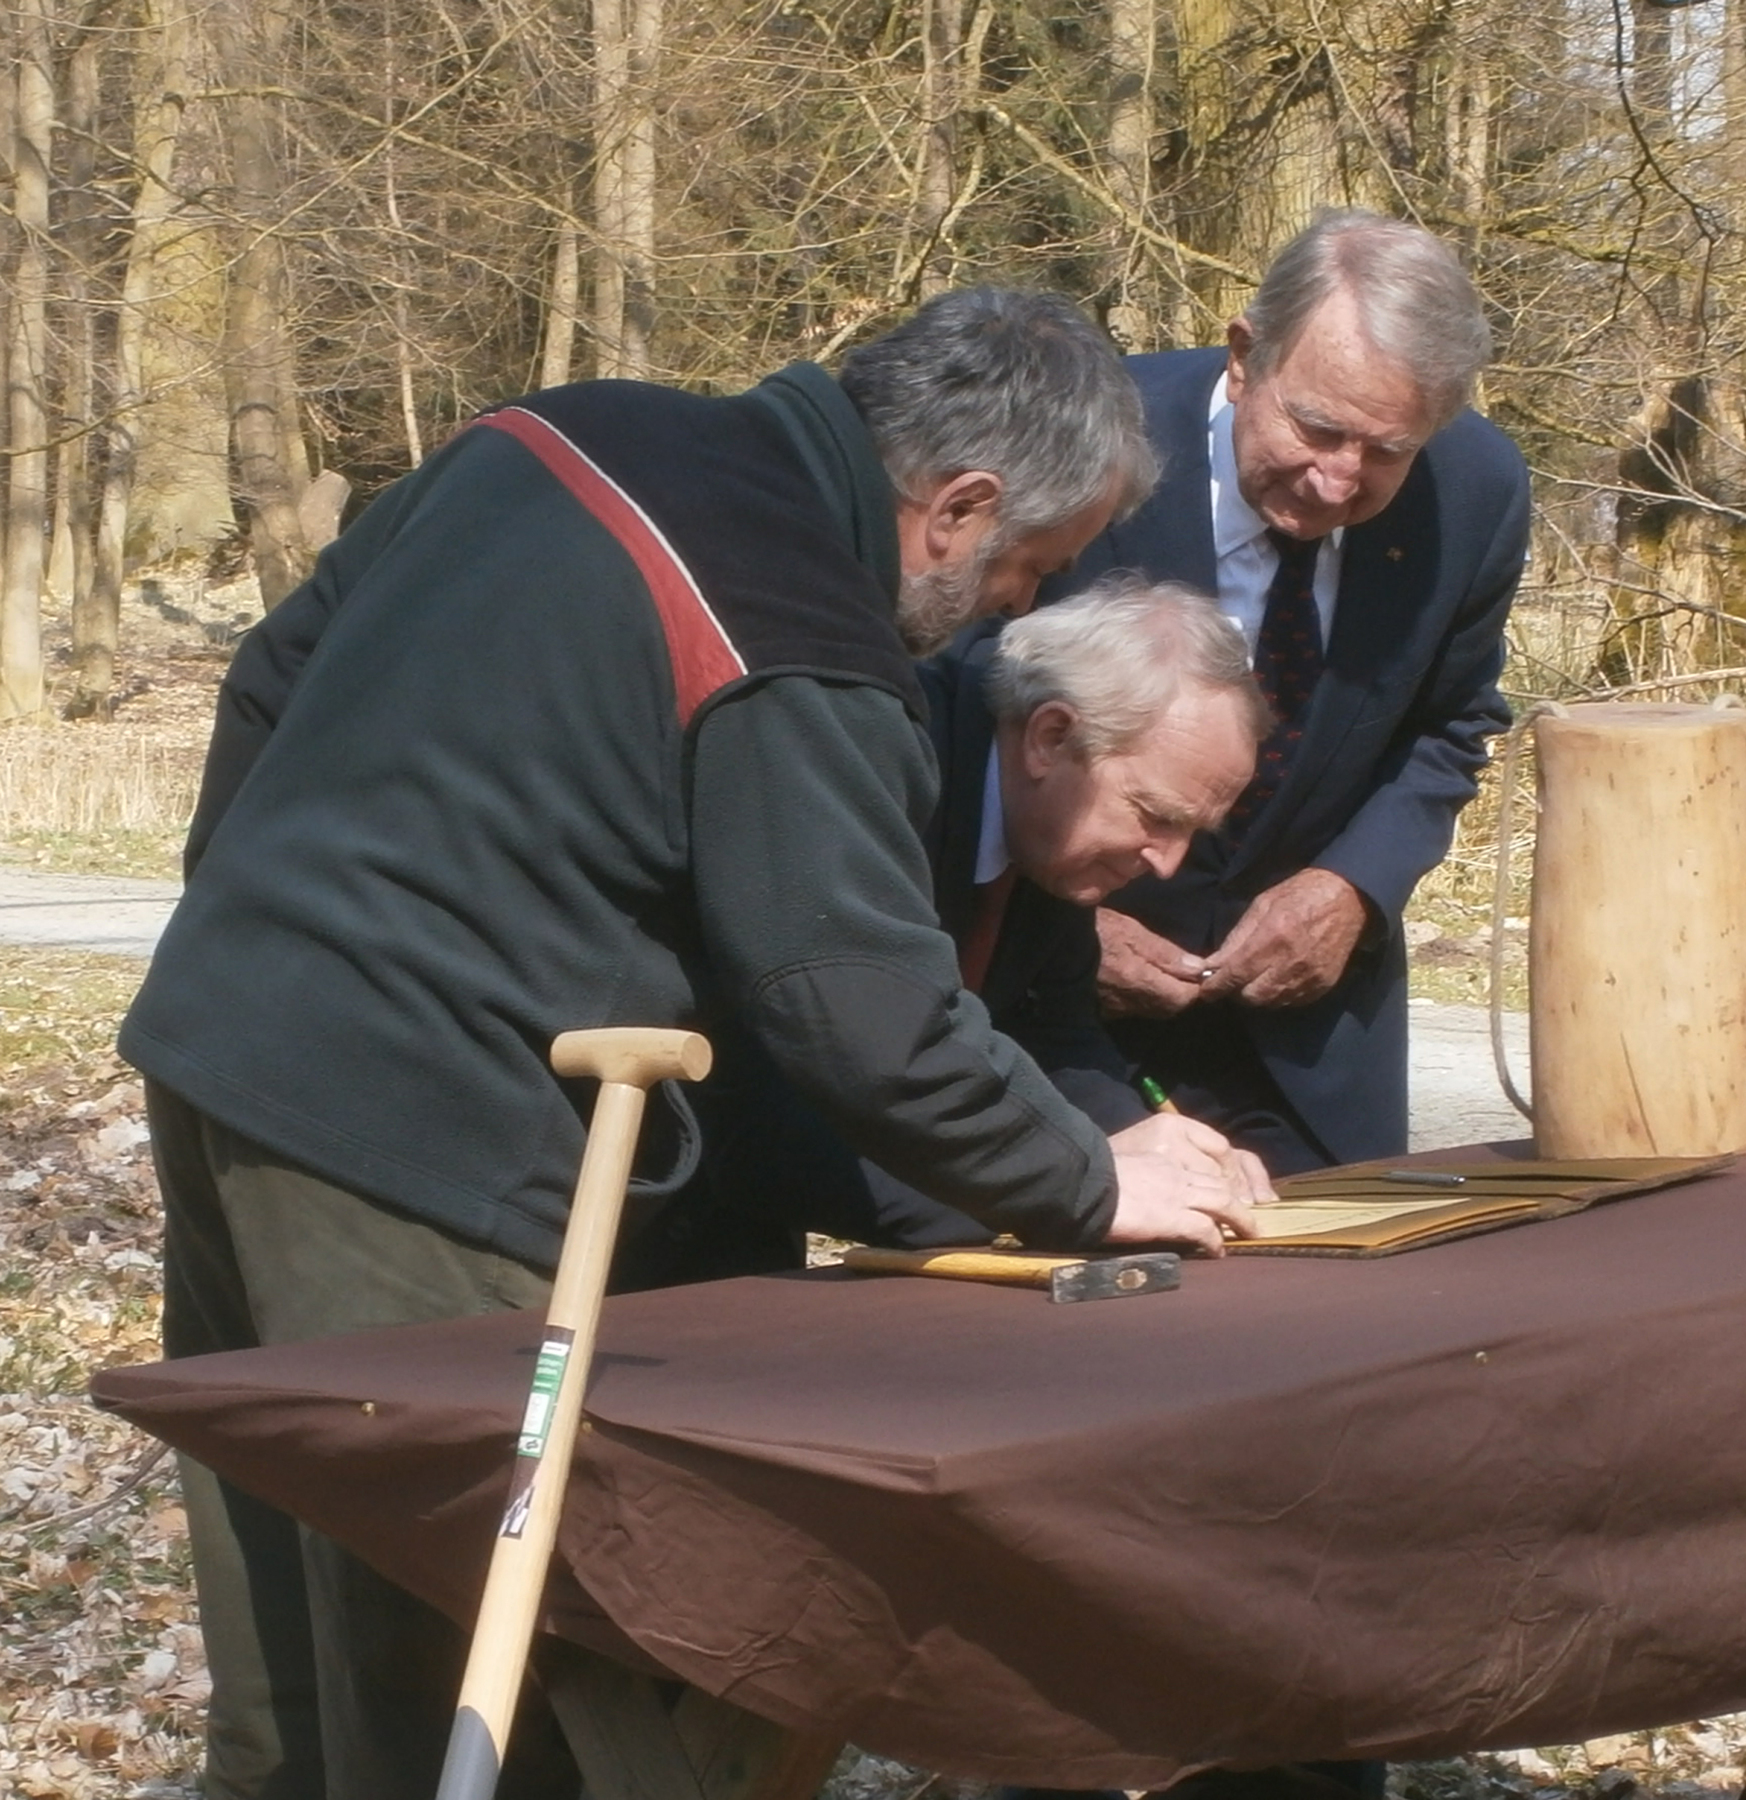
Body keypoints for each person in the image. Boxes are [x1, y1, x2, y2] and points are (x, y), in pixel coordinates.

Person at [121, 288, 1264, 1800]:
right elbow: (856, 1004)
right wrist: (1077, 1178)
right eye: (1028, 571)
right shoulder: (800, 620)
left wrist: (261, 932)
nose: (1007, 616)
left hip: (222, 1042)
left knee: (281, 1561)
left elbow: (275, 674)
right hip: (426, 1136)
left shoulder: (566, 429)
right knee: (460, 1645)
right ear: (957, 507)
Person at [630, 574, 1276, 1272]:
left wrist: (1157, 1155)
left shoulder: (1055, 841)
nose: (1169, 862)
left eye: (1194, 833)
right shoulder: (881, 759)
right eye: (1155, 815)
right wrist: (1068, 1188)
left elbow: (1059, 1041)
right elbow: (810, 1067)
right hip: (642, 1196)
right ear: (1050, 736)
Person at [1066, 210, 1531, 1178]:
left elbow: (1452, 726)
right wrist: (1061, 930)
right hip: (1064, 1031)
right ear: (1245, 358)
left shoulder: (1477, 492)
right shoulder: (1084, 444)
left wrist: (1354, 887)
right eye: (1316, 428)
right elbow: (958, 718)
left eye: (1387, 452)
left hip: (1313, 1056)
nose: (1336, 482)